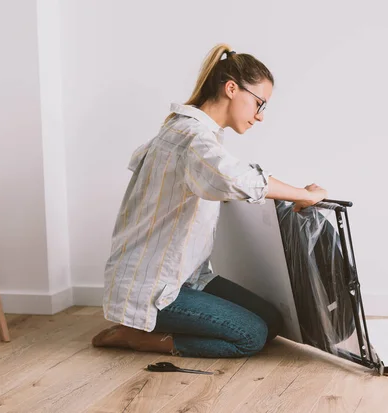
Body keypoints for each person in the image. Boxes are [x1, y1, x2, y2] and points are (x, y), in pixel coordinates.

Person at [91, 43, 328, 358]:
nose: (259, 116)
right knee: (251, 335)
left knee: (272, 321)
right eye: (259, 103)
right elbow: (233, 177)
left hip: (187, 277)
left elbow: (218, 182)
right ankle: (136, 336)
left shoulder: (195, 135)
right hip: (155, 289)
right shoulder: (191, 137)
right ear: (232, 88)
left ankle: (151, 327)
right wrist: (305, 194)